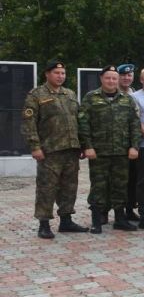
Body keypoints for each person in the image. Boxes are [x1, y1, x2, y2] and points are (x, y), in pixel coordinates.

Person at [22, 59, 85, 239]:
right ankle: (44, 224)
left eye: (63, 73)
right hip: (50, 150)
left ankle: (66, 220)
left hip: (71, 149)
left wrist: (82, 144)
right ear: (47, 74)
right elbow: (29, 123)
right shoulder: (36, 95)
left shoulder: (70, 94)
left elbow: (79, 121)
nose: (60, 76)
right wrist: (35, 147)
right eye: (57, 73)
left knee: (69, 187)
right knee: (46, 188)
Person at [79, 65, 142, 233]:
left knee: (120, 186)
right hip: (99, 152)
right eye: (108, 78)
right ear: (101, 79)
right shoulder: (91, 98)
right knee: (98, 186)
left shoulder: (127, 99)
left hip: (122, 152)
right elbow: (83, 124)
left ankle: (120, 219)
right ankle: (96, 221)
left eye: (114, 78)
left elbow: (134, 125)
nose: (111, 81)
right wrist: (88, 147)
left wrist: (134, 146)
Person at [117, 63, 139, 220]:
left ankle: (130, 209)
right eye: (123, 75)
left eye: (129, 75)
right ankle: (104, 212)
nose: (126, 78)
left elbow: (137, 122)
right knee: (112, 180)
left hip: (132, 144)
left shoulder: (135, 95)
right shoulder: (110, 93)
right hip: (114, 145)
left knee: (132, 180)